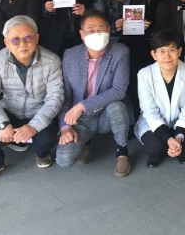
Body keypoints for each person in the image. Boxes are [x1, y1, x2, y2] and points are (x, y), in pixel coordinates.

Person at [0, 16, 64, 184]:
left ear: (36, 38)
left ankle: (42, 154)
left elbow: (55, 98)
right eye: (15, 40)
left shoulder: (52, 61)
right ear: (7, 42)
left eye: (28, 38)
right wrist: (2, 123)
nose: (22, 44)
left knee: (45, 140)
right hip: (10, 109)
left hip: (38, 111)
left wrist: (33, 126)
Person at [56, 10, 131, 176]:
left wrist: (82, 106)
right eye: (90, 30)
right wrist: (65, 127)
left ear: (109, 30)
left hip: (105, 113)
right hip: (81, 120)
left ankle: (122, 151)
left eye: (101, 29)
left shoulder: (120, 52)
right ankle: (86, 143)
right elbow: (66, 96)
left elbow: (118, 90)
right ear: (82, 34)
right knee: (64, 160)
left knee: (117, 107)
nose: (96, 33)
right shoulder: (70, 55)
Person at [94, 0, 152, 116]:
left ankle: (141, 118)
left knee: (138, 83)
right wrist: (113, 27)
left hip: (140, 44)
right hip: (114, 43)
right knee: (116, 85)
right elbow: (96, 23)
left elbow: (156, 21)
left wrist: (148, 24)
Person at [135, 30, 185, 167]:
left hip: (182, 118)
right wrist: (168, 139)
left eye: (171, 50)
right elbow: (149, 110)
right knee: (154, 147)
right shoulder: (144, 74)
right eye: (161, 51)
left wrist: (178, 138)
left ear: (179, 52)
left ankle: (178, 148)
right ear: (153, 55)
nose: (167, 56)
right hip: (154, 119)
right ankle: (164, 150)